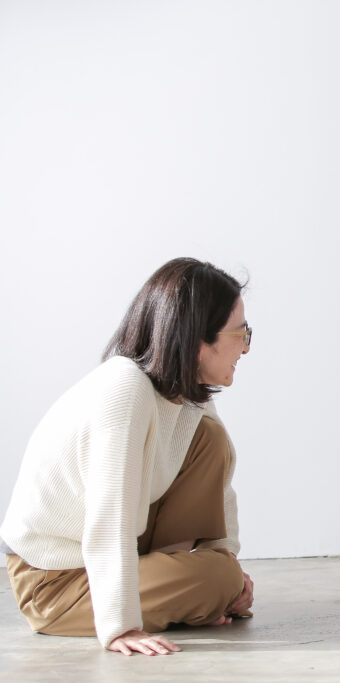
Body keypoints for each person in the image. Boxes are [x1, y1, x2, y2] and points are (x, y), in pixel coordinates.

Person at [1, 257, 256, 655]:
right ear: (197, 341)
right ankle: (196, 588)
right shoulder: (125, 389)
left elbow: (221, 489)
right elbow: (109, 517)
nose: (245, 345)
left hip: (118, 555)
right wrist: (121, 627)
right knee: (218, 579)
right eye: (240, 332)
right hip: (57, 582)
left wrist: (229, 569)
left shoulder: (188, 396)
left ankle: (207, 584)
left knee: (210, 441)